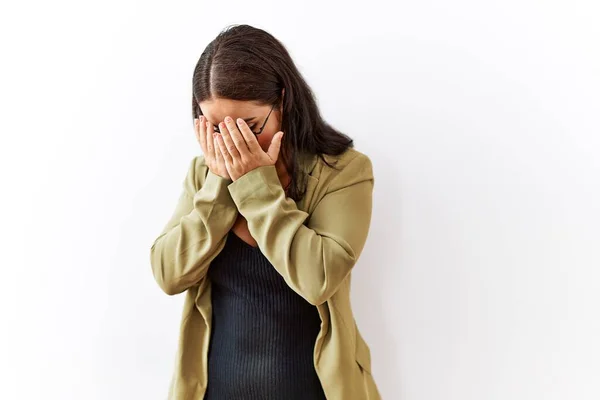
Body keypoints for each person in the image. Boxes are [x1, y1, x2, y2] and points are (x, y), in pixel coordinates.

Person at [150, 24, 381, 400]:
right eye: (215, 128)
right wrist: (220, 184)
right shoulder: (203, 174)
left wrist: (256, 186)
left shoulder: (344, 171)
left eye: (249, 126)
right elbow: (168, 274)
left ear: (283, 101)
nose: (233, 142)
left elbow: (318, 279)